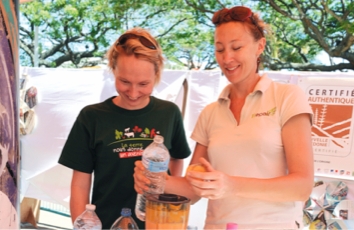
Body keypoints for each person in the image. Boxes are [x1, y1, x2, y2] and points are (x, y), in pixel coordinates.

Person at [134, 6, 314, 229]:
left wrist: (231, 185)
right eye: (219, 49)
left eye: (236, 47)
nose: (227, 58)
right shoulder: (211, 112)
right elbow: (193, 190)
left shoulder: (287, 97)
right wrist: (159, 181)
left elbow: (302, 186)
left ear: (260, 46)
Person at [58, 27, 191, 229]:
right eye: (125, 81)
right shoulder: (92, 117)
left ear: (157, 74)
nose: (134, 92)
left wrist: (166, 198)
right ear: (113, 69)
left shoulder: (169, 112)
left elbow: (176, 157)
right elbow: (80, 183)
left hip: (157, 223)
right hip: (106, 222)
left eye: (144, 84)